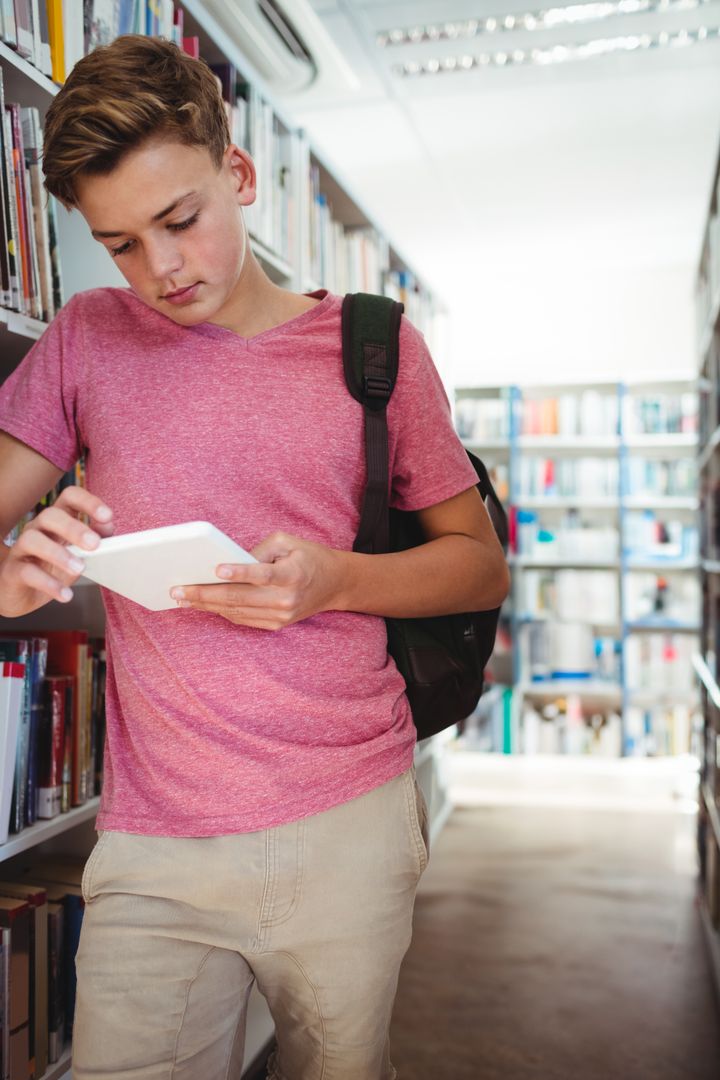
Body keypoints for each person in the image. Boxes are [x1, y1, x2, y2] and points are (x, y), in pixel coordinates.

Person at [0, 34, 509, 1080]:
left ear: (237, 175)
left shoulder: (375, 347)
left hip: (349, 820)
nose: (161, 270)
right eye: (122, 244)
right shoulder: (88, 337)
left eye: (179, 221)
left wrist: (336, 578)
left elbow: (478, 564)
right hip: (153, 839)